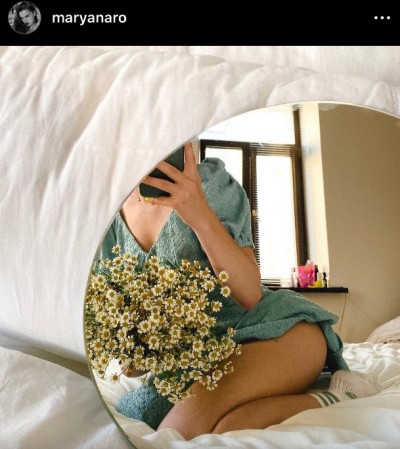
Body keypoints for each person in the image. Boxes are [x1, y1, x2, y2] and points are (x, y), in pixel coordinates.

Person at [98, 142, 378, 439]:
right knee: (225, 430)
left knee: (178, 432)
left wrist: (197, 211)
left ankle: (342, 392)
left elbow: (249, 294)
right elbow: (133, 364)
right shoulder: (109, 220)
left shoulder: (212, 186)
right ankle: (336, 397)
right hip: (200, 363)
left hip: (276, 331)